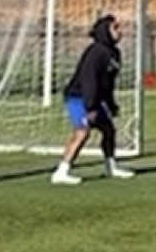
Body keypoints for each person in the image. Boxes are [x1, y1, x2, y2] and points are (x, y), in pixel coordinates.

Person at [50, 14, 135, 185]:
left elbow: (108, 83)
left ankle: (111, 166)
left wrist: (110, 104)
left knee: (109, 130)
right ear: (105, 31)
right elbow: (89, 80)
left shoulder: (114, 53)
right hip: (79, 97)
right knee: (83, 132)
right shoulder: (95, 52)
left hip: (95, 100)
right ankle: (62, 171)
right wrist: (90, 107)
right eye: (115, 28)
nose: (120, 32)